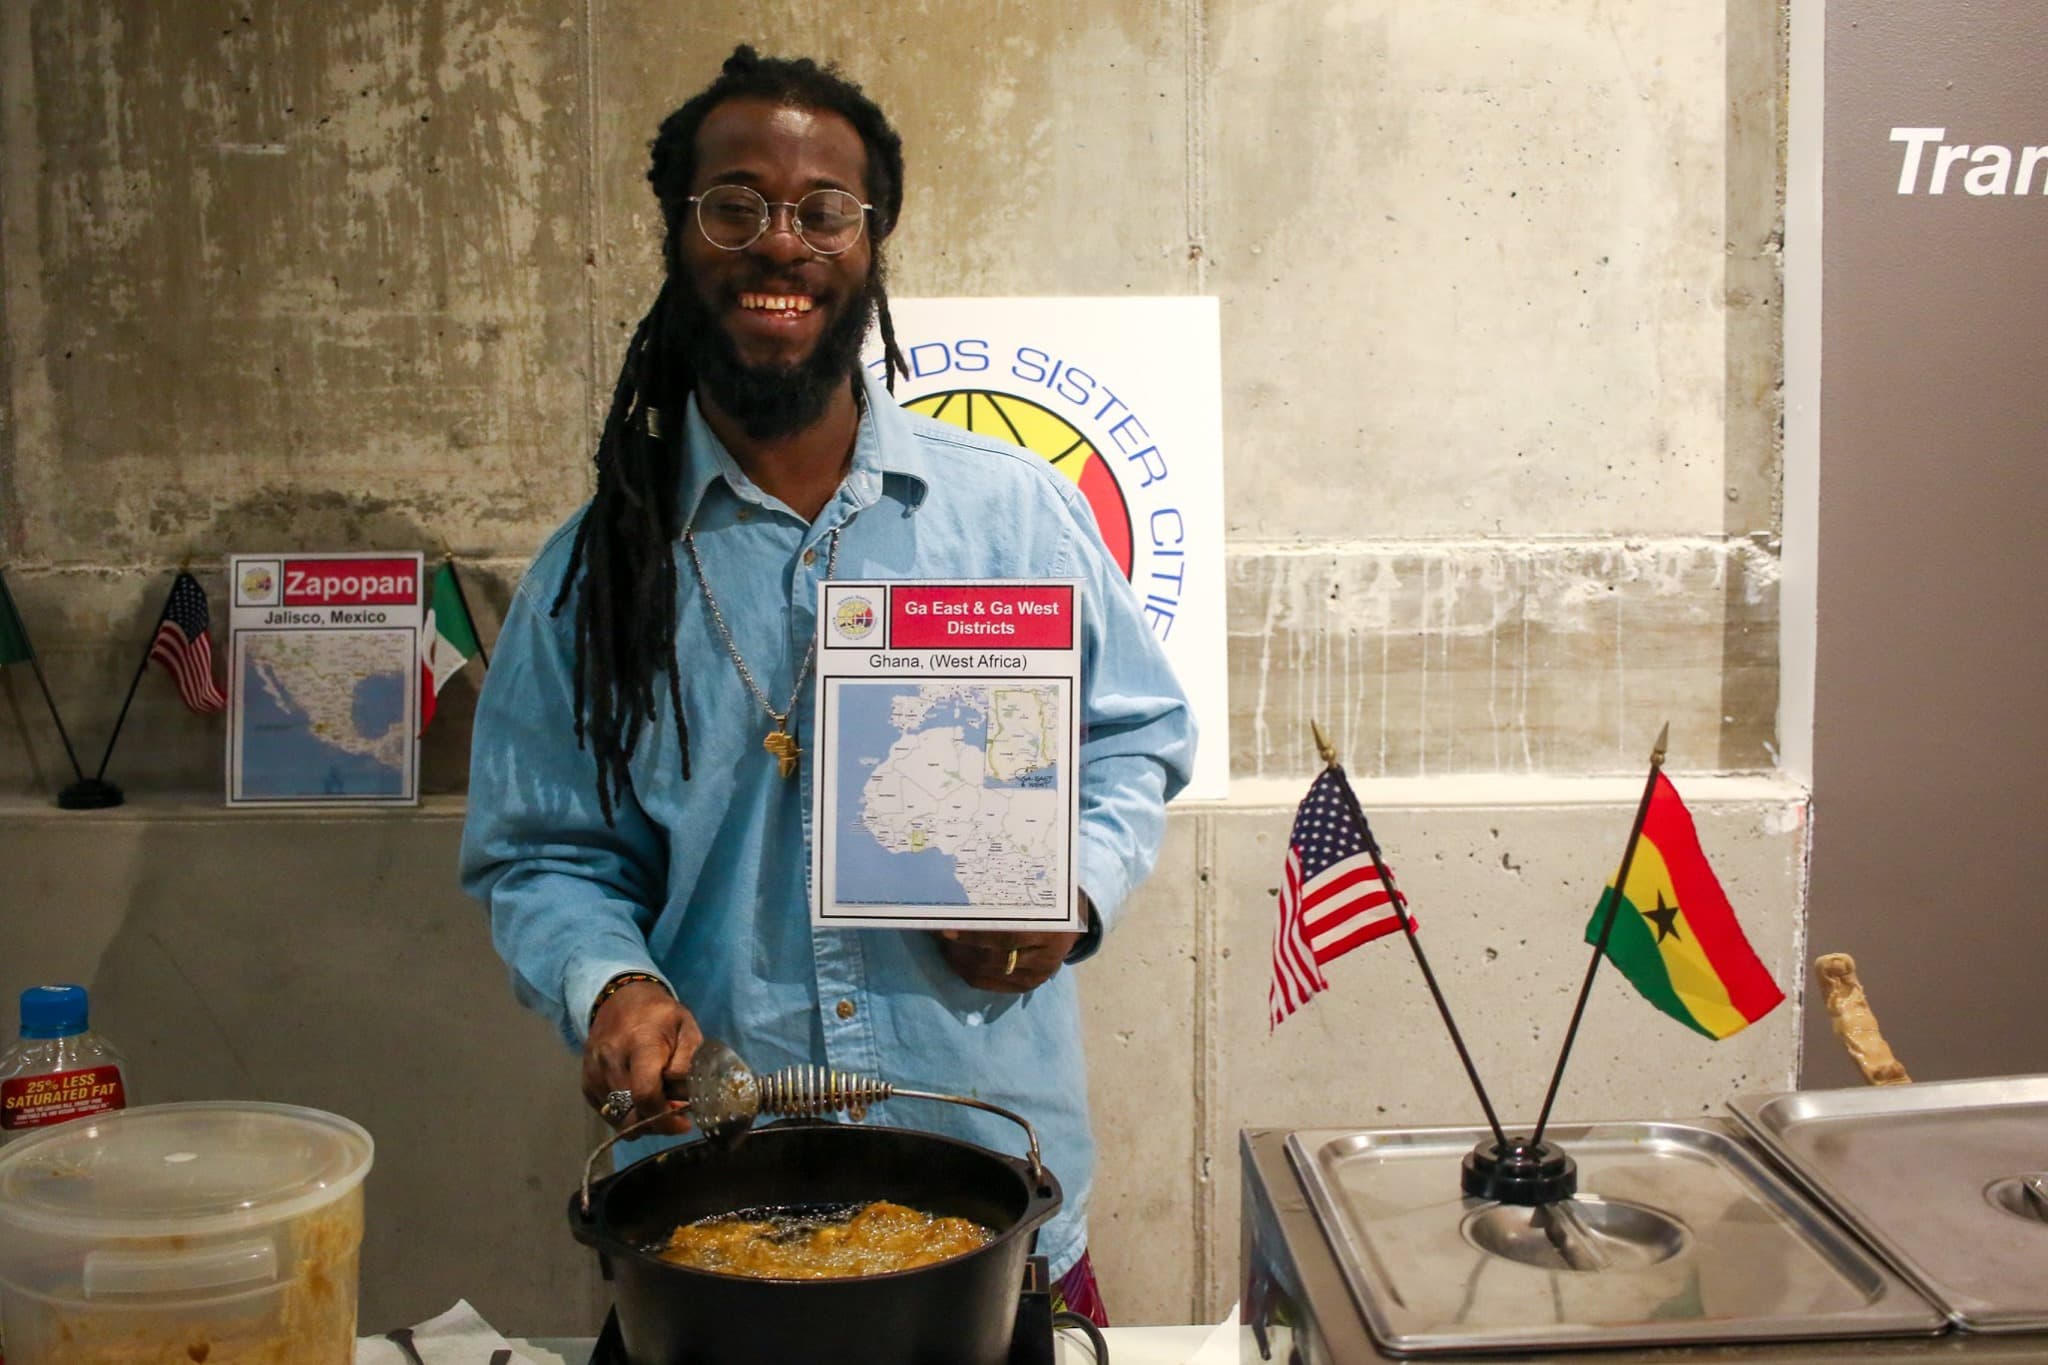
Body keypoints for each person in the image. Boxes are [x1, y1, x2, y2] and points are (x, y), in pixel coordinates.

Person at [459, 45, 1194, 1324]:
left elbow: (1134, 739)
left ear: (873, 241)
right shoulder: (597, 570)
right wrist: (610, 984)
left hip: (996, 1188)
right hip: (708, 1207)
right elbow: (543, 855)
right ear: (678, 236)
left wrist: (1068, 892)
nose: (778, 244)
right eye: (733, 205)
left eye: (821, 211)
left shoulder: (1009, 516)